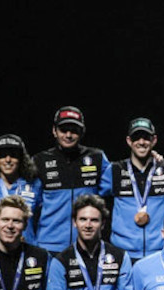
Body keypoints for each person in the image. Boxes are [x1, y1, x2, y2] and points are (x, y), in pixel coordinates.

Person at [31, 106, 110, 253]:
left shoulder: (97, 157)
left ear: (82, 132)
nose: (68, 135)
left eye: (74, 130)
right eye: (63, 130)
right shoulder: (40, 160)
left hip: (86, 245)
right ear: (54, 131)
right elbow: (28, 203)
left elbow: (123, 179)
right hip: (48, 246)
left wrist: (154, 160)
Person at [100, 117, 164, 260]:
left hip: (160, 253)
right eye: (136, 137)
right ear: (129, 141)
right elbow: (88, 192)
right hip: (122, 254)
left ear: (154, 140)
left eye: (146, 138)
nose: (141, 142)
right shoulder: (115, 171)